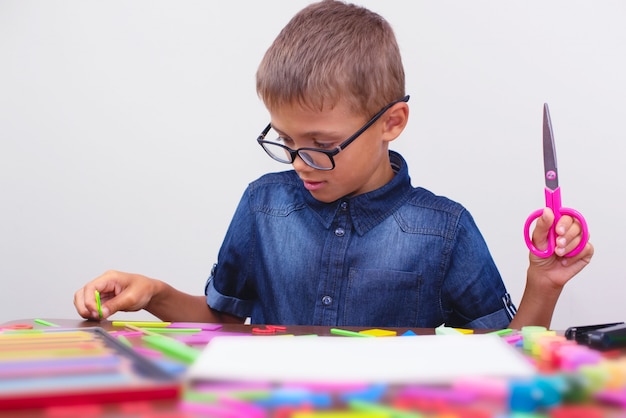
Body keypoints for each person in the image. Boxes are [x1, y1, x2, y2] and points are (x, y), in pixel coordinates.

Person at [74, 0, 593, 329]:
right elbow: (224, 321)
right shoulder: (263, 204)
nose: (301, 163)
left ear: (392, 122)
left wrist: (543, 285)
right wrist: (156, 294)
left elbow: (505, 356)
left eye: (321, 145)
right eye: (284, 140)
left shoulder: (444, 229)